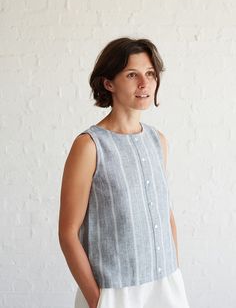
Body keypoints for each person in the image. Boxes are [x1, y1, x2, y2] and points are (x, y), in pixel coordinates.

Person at [58, 37, 190, 308]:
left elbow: (165, 214)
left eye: (150, 74)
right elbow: (68, 233)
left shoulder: (158, 141)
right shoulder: (90, 146)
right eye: (132, 75)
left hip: (166, 285)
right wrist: (98, 300)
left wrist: (172, 270)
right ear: (109, 83)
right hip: (115, 291)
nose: (145, 84)